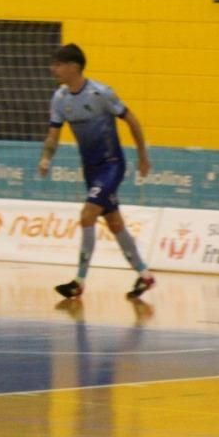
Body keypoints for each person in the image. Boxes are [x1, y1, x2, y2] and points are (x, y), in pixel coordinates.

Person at [38, 44, 155, 300]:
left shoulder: (100, 93)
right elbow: (53, 134)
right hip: (90, 169)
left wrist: (143, 156)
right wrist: (47, 157)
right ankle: (145, 276)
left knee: (87, 215)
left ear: (74, 66)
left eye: (58, 64)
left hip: (112, 164)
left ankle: (79, 281)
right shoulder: (60, 99)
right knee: (114, 223)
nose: (52, 69)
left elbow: (132, 120)